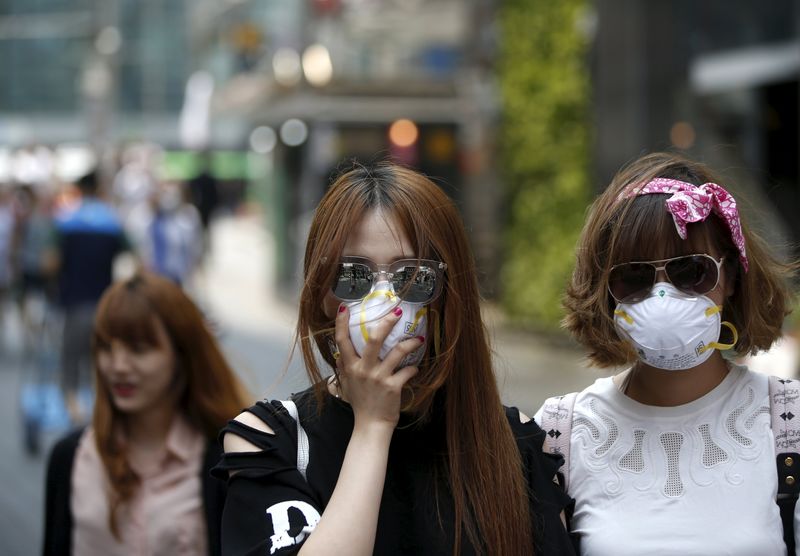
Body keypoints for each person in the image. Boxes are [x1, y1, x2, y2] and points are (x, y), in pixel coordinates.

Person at [213, 162, 575, 555]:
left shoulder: (512, 442)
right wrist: (372, 426)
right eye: (354, 276)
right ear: (321, 294)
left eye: (412, 277)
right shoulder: (270, 441)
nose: (384, 303)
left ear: (448, 295)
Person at [535, 152, 796, 554]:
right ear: (605, 291)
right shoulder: (561, 435)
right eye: (633, 277)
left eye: (691, 271)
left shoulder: (788, 423)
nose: (662, 295)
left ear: (730, 277)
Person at [43, 271, 251, 556]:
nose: (118, 366)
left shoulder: (223, 463)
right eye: (106, 347)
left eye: (138, 349)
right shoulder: (69, 457)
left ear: (181, 355)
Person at [52, 170, 130, 422]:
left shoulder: (66, 221)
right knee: (101, 361)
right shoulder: (112, 221)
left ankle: (74, 411)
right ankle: (99, 413)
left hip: (74, 303)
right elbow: (132, 257)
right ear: (99, 189)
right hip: (103, 304)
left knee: (70, 359)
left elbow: (49, 263)